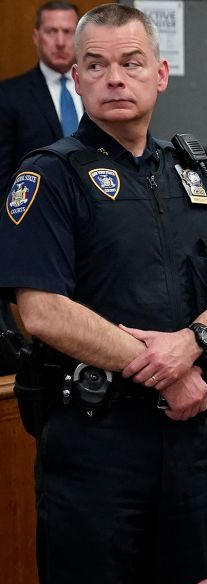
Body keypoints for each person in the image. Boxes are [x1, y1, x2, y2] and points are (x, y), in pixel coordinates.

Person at [0, 5, 207, 584]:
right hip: (94, 444)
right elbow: (41, 310)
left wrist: (195, 343)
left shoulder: (194, 170)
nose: (114, 78)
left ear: (160, 72)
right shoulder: (50, 174)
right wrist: (164, 368)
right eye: (95, 65)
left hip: (184, 447)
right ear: (76, 75)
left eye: (129, 63)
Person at [0, 2, 81, 345]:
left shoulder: (97, 92)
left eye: (68, 32)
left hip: (97, 226)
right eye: (52, 32)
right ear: (36, 36)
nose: (61, 41)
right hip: (38, 232)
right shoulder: (9, 96)